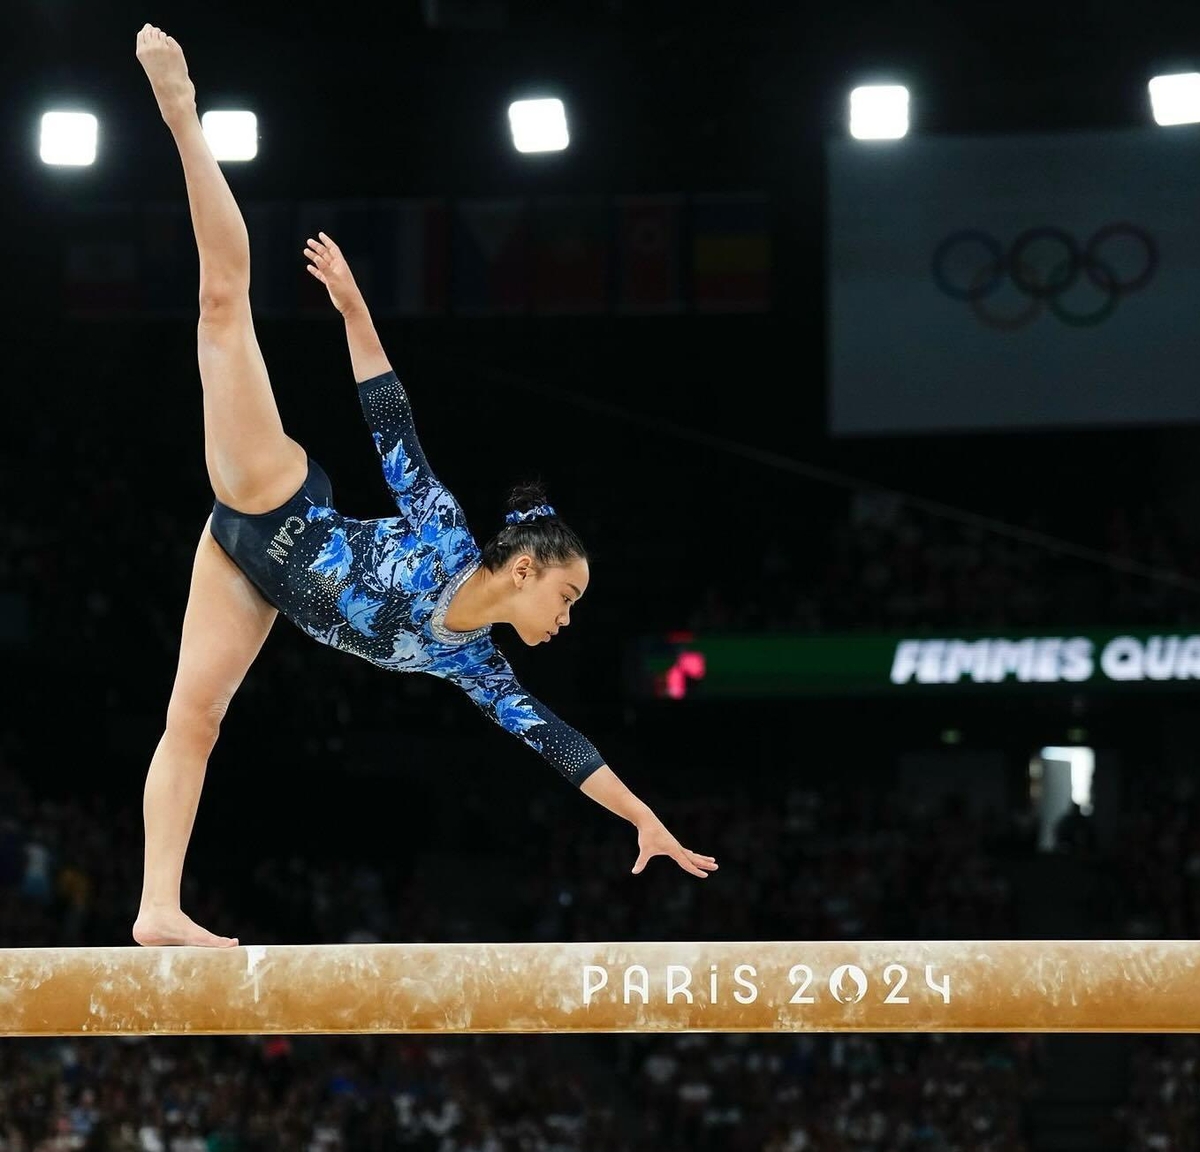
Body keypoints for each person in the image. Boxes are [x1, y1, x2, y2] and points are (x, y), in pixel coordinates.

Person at [130, 25, 717, 948]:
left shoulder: (475, 664)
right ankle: (180, 113)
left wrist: (642, 817)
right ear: (524, 570)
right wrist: (354, 308)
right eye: (567, 595)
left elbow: (557, 741)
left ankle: (157, 909)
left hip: (248, 575)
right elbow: (390, 422)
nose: (568, 617)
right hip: (278, 507)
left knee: (194, 720)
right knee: (221, 306)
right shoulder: (445, 535)